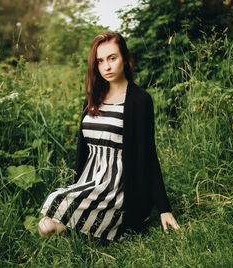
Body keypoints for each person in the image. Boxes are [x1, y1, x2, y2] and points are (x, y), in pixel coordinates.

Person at [38, 32, 179, 241]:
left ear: (125, 59)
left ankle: (112, 222)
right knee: (49, 213)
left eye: (112, 58)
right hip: (91, 181)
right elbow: (83, 150)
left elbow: (148, 154)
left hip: (118, 188)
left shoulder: (139, 100)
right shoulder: (93, 97)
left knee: (50, 225)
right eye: (100, 61)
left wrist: (164, 208)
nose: (107, 66)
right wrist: (77, 187)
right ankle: (89, 225)